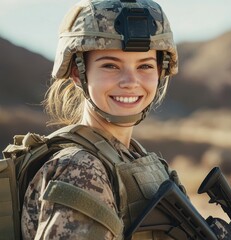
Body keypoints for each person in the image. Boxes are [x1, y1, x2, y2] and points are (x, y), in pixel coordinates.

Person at [20, 0, 189, 239]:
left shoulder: (133, 156)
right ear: (78, 73)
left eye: (145, 66)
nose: (130, 81)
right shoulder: (81, 168)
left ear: (159, 72)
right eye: (110, 65)